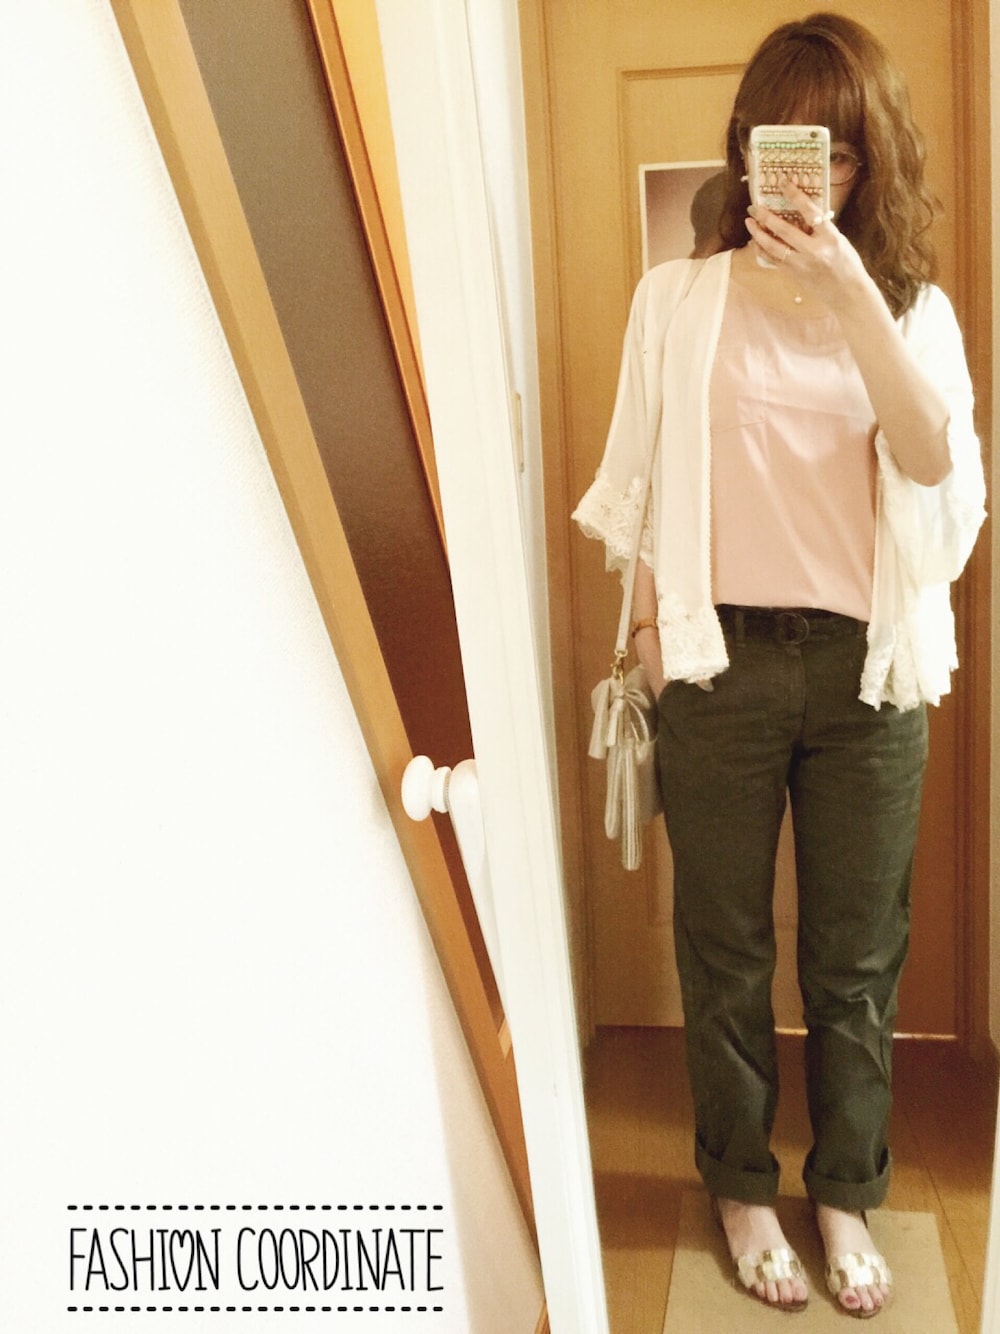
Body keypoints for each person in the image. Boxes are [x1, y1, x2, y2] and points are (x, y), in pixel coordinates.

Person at [573, 12, 986, 1319]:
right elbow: (643, 486)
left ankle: (846, 1189)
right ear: (747, 147)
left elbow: (936, 463)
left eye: (838, 153)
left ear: (869, 162)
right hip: (720, 664)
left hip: (869, 677)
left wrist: (854, 293)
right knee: (726, 948)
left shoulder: (910, 311)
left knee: (857, 961)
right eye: (783, 142)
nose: (811, 174)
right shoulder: (676, 300)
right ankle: (741, 1186)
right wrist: (650, 643)